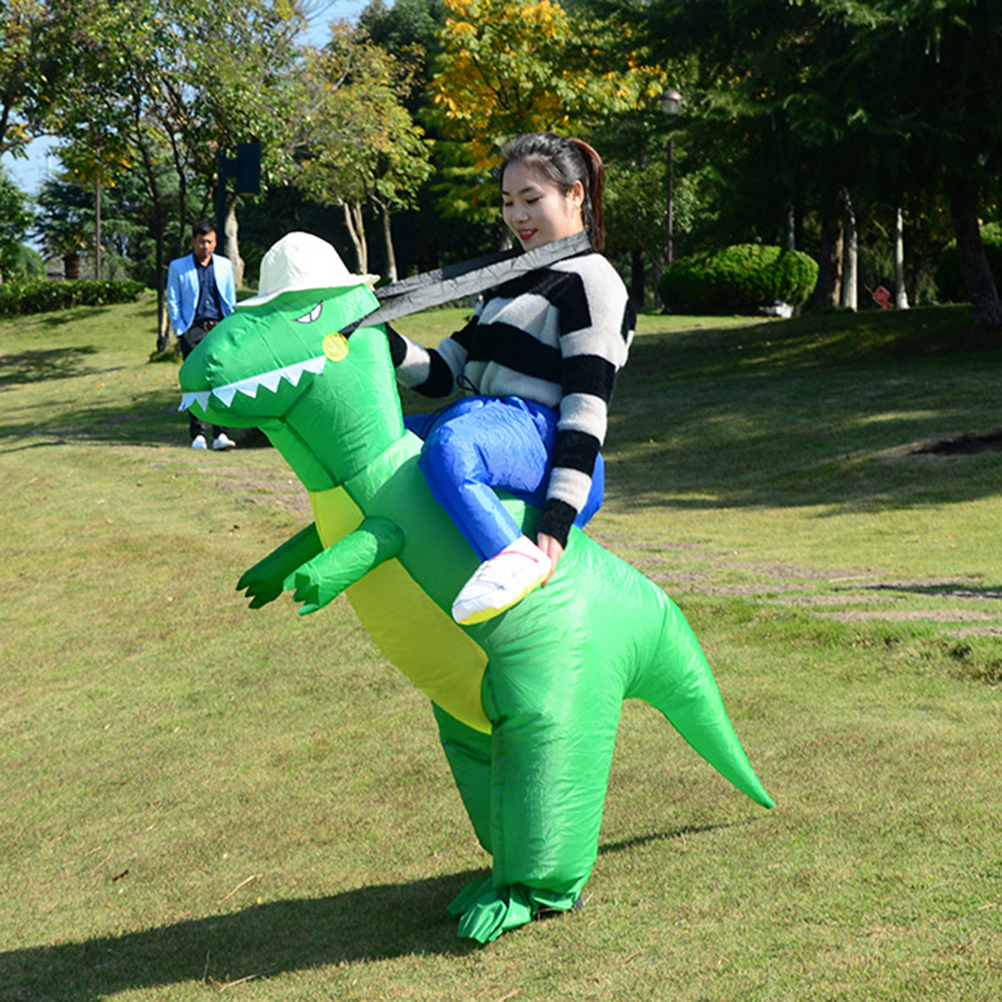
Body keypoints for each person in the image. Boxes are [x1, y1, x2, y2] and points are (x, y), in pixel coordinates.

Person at [388, 132, 636, 625]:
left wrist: (558, 518)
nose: (517, 215)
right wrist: (381, 341)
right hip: (481, 423)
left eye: (530, 199)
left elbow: (585, 412)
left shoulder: (593, 282)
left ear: (575, 195)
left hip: (540, 438)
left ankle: (512, 558)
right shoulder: (509, 282)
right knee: (383, 441)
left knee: (451, 445)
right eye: (507, 202)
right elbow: (443, 374)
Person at [167, 220, 238, 450]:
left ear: (215, 243)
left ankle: (221, 434)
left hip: (219, 327)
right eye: (201, 242)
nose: (205, 246)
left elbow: (230, 298)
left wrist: (231, 326)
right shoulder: (178, 267)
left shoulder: (225, 266)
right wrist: (181, 330)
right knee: (196, 381)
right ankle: (198, 434)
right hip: (193, 329)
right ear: (193, 242)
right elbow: (173, 299)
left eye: (209, 242)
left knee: (221, 379)